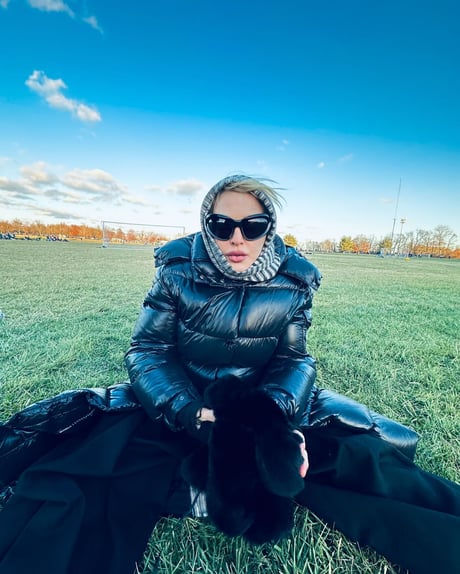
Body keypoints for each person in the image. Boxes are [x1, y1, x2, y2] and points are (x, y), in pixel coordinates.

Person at [0, 174, 459, 574]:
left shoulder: (296, 281)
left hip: (257, 403)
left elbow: (295, 360)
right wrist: (190, 411)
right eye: (222, 225)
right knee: (90, 468)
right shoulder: (175, 271)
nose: (237, 238)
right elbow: (148, 351)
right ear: (208, 225)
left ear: (268, 228)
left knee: (355, 459)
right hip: (184, 399)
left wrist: (272, 418)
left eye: (252, 226)